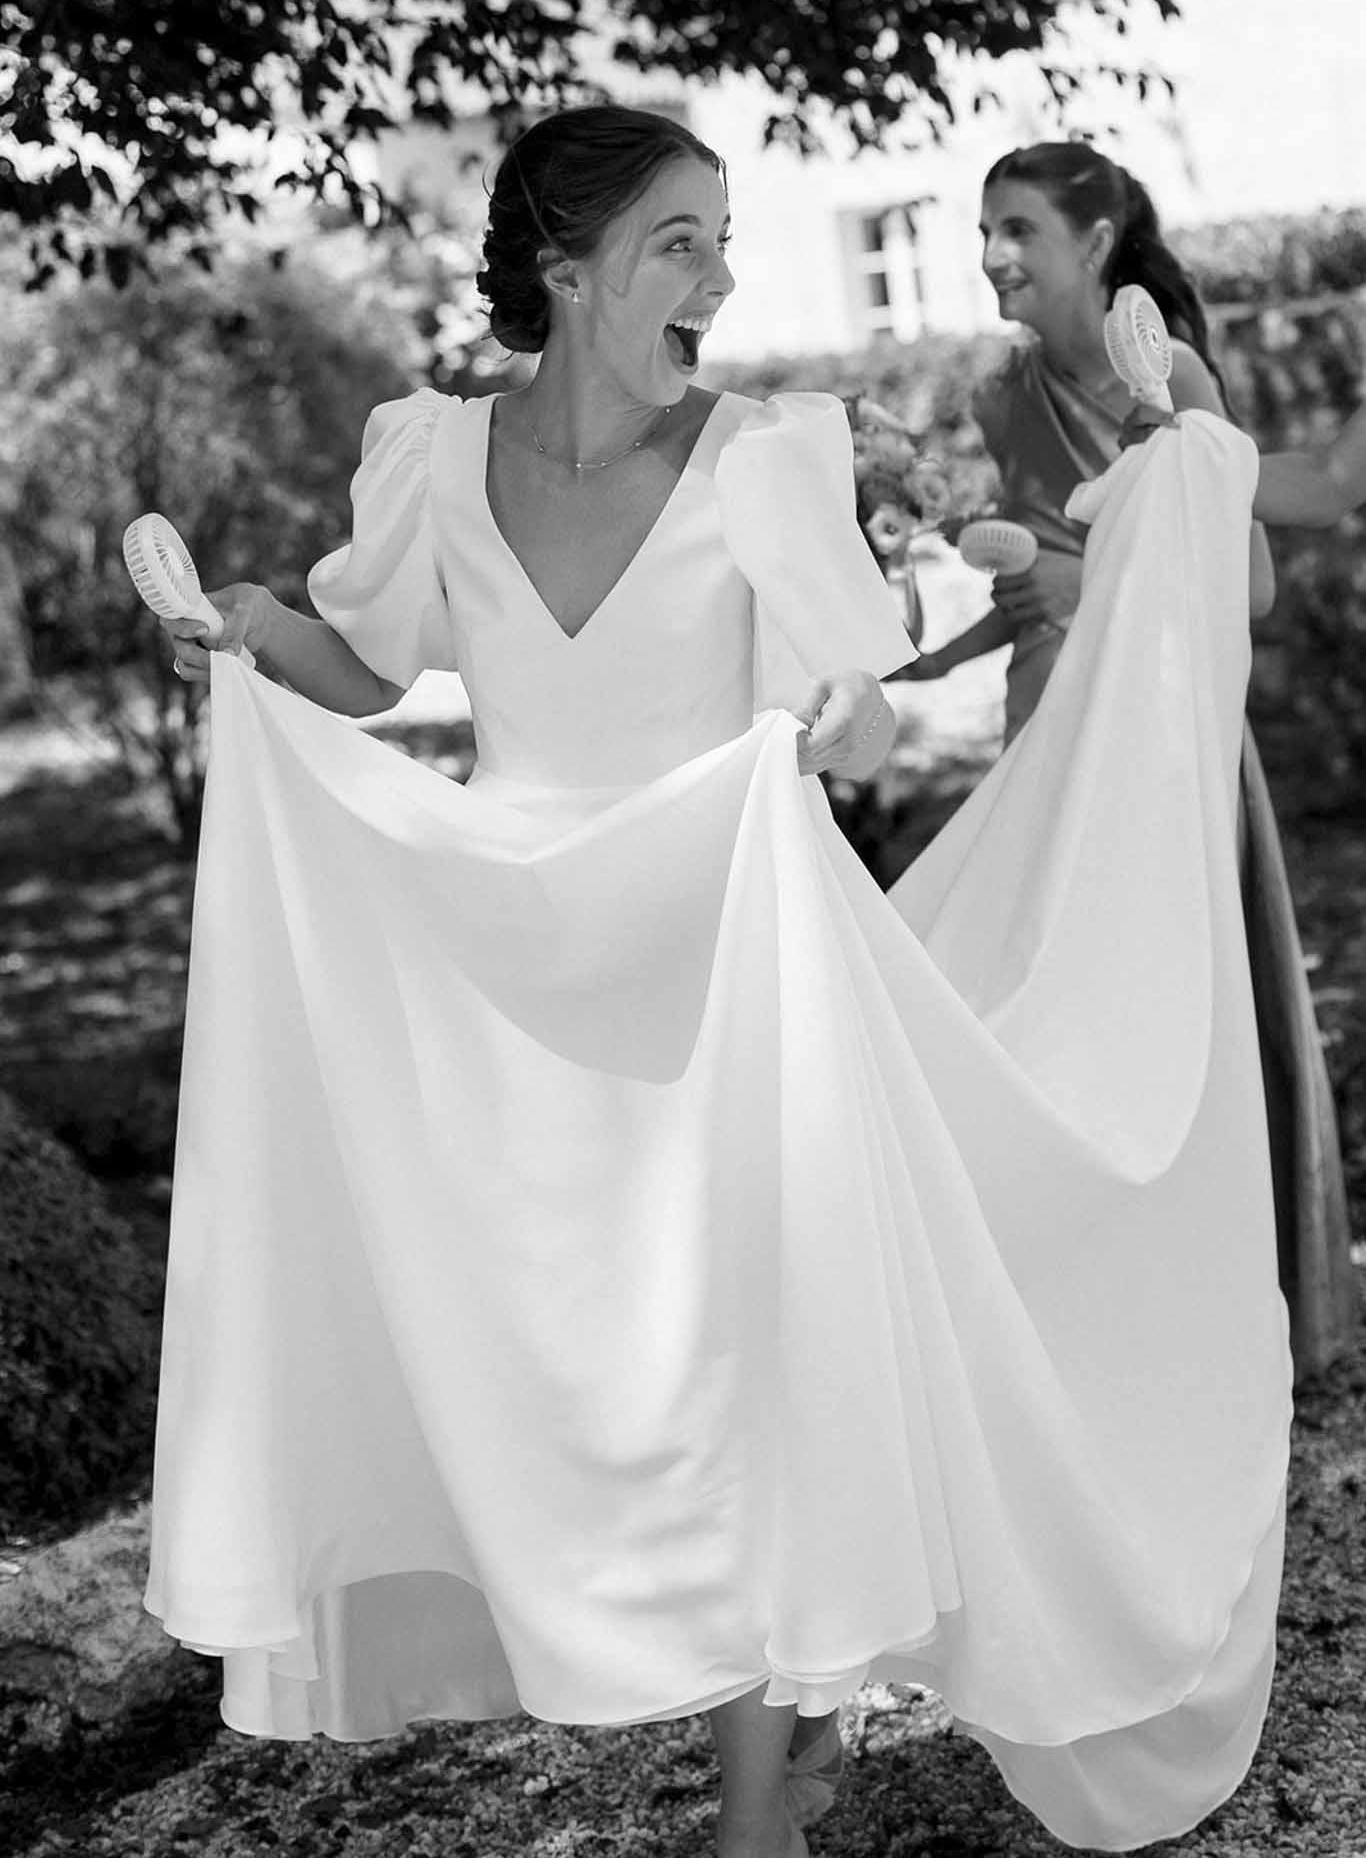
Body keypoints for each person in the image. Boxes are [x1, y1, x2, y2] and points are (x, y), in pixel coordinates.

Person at [148, 105, 1314, 1858]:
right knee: (592, 1363)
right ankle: (731, 1676)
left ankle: (760, 1796)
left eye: (726, 234)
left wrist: (1130, 506)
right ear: (567, 266)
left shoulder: (767, 449)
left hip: (742, 944)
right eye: (681, 239)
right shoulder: (430, 454)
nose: (726, 272)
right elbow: (374, 664)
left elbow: (858, 664)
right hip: (528, 953)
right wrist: (253, 625)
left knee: (773, 1353)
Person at [899, 140, 1361, 1379]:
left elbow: (1249, 568)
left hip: (1157, 715)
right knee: (1047, 990)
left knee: (1160, 985)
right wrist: (935, 654)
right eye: (982, 230)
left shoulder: (1163, 367)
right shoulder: (1001, 397)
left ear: (1096, 243)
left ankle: (1212, 1288)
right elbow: (1027, 581)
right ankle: (1068, 1290)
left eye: (1019, 232)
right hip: (1044, 712)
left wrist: (1119, 550)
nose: (991, 257)